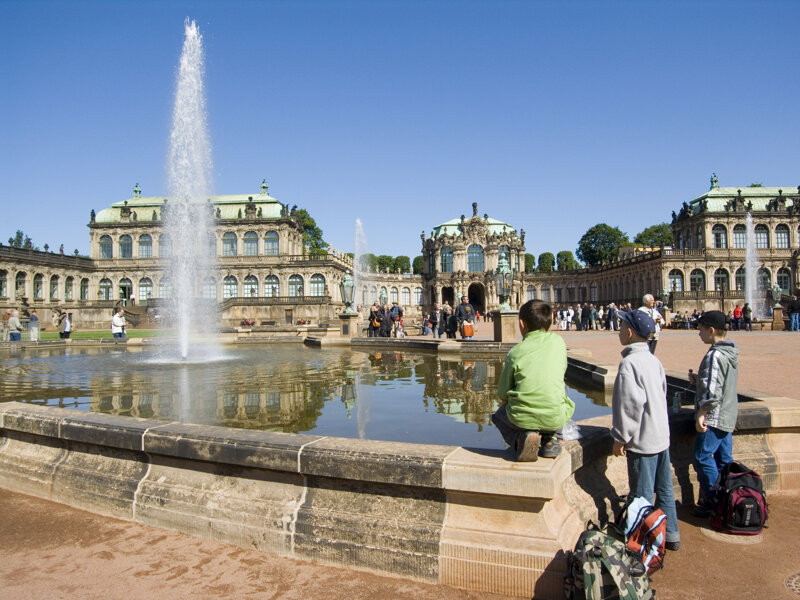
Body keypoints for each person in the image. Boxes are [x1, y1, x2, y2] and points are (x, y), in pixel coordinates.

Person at [611, 309, 680, 551]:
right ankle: (671, 535)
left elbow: (629, 406)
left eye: (620, 327)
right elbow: (660, 395)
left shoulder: (629, 364)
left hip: (643, 441)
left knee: (640, 496)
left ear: (629, 332)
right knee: (665, 490)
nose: (618, 330)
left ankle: (640, 545)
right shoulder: (653, 360)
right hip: (662, 436)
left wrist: (620, 437)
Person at [492, 299, 576, 461]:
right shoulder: (559, 342)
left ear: (522, 324)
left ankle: (519, 440)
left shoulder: (515, 352)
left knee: (498, 415)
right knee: (560, 393)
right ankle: (551, 440)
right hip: (555, 416)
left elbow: (502, 393)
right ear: (550, 322)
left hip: (521, 418)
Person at [688, 310, 739, 516]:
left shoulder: (715, 354)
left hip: (715, 417)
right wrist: (699, 379)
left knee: (702, 457)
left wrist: (702, 412)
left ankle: (716, 501)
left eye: (700, 329)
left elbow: (712, 392)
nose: (698, 333)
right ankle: (729, 501)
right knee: (724, 461)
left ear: (711, 330)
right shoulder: (731, 351)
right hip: (728, 414)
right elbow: (721, 382)